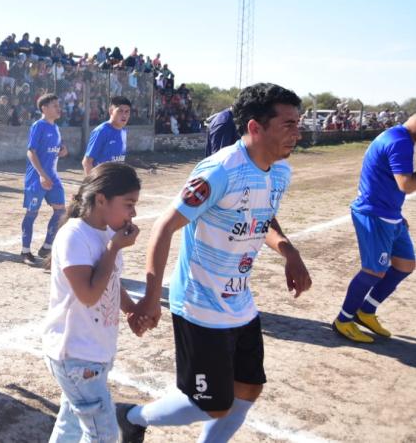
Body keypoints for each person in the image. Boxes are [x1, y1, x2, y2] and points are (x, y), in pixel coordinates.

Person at [116, 83, 312, 443]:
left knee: (249, 389)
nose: (297, 134)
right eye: (288, 125)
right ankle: (130, 417)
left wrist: (288, 250)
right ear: (255, 128)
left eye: (298, 124)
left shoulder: (280, 172)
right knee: (213, 404)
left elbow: (261, 216)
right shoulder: (219, 171)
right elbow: (164, 227)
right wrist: (150, 297)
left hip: (239, 301)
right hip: (200, 303)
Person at [43, 162, 145, 442]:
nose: (133, 212)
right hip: (76, 355)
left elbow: (109, 281)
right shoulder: (74, 236)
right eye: (128, 204)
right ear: (101, 199)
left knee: (71, 424)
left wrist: (131, 309)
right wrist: (113, 249)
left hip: (94, 351)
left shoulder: (106, 233)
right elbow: (88, 295)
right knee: (103, 434)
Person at [332, 113, 416, 342]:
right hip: (374, 214)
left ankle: (366, 311)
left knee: (405, 264)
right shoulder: (400, 142)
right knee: (374, 270)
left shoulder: (400, 137)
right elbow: (406, 184)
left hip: (390, 214)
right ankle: (343, 320)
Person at [21, 93, 69, 265]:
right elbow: (31, 151)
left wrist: (62, 150)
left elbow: (54, 149)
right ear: (44, 108)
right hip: (37, 177)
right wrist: (42, 175)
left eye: (58, 105)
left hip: (53, 176)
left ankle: (47, 246)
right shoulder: (38, 126)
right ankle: (25, 251)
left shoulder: (55, 127)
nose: (58, 108)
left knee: (61, 211)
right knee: (32, 213)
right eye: (55, 105)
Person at [83, 96, 131, 175]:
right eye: (120, 111)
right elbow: (87, 162)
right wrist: (94, 185)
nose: (124, 115)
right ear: (111, 111)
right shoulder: (101, 131)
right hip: (103, 183)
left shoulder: (123, 131)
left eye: (127, 112)